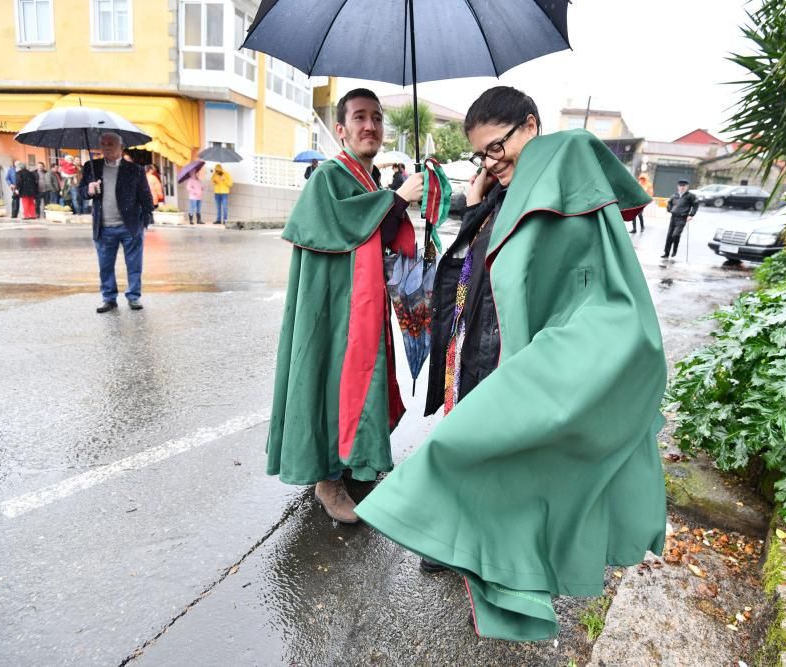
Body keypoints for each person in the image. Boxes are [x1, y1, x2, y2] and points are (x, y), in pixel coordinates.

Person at [355, 86, 667, 641]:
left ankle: (501, 567)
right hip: (475, 345)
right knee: (483, 458)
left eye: (497, 149)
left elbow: (581, 284)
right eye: (481, 155)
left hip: (513, 354)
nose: (490, 163)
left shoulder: (562, 167)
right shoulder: (511, 189)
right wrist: (478, 199)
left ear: (530, 125)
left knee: (490, 459)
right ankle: (467, 548)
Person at [265, 88, 425, 524]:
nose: (369, 125)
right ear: (341, 130)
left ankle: (354, 461)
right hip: (334, 307)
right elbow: (346, 225)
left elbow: (374, 231)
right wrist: (396, 199)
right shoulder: (330, 176)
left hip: (358, 302)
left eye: (376, 117)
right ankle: (327, 479)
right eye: (359, 117)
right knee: (334, 376)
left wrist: (399, 205)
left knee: (355, 378)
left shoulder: (366, 178)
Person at [79, 132, 154, 313]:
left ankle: (134, 296)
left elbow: (145, 196)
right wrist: (89, 190)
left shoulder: (134, 169)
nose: (106, 147)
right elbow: (81, 191)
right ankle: (108, 298)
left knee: (134, 265)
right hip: (103, 227)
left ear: (121, 147)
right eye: (103, 144)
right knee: (105, 266)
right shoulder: (92, 167)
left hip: (130, 226)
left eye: (110, 144)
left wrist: (145, 221)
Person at [663, 179, 699, 259]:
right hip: (673, 218)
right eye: (680, 186)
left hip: (682, 218)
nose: (682, 188)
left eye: (684, 186)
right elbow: (669, 203)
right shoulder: (674, 195)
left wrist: (691, 215)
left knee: (675, 235)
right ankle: (666, 253)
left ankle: (674, 250)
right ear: (678, 186)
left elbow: (696, 205)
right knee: (669, 236)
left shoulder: (690, 196)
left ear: (687, 187)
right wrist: (669, 209)